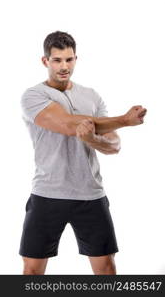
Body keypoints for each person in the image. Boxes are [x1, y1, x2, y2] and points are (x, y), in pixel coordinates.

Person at [19, 31, 147, 275]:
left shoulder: (91, 96)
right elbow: (67, 124)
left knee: (107, 269)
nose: (64, 66)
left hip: (90, 194)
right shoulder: (33, 95)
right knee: (32, 271)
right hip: (47, 193)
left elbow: (114, 146)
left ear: (76, 58)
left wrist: (92, 139)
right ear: (45, 61)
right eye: (57, 60)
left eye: (69, 59)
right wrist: (124, 120)